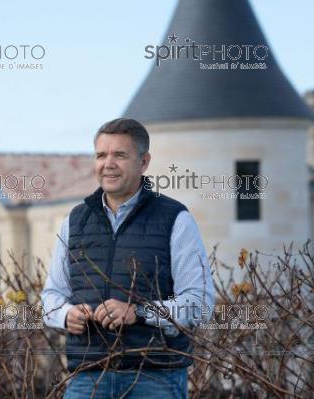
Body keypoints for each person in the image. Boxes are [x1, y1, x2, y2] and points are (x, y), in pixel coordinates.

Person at [41, 118, 215, 398]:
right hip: (87, 376)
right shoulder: (74, 221)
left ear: (144, 162)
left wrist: (139, 312)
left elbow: (201, 303)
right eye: (101, 155)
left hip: (156, 376)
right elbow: (51, 297)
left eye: (120, 155)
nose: (108, 163)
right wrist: (66, 315)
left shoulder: (175, 219)